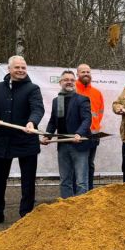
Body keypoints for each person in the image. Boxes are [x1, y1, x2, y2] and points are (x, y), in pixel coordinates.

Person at [0, 55, 45, 227]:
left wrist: (32, 122)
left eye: (23, 68)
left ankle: (26, 214)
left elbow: (38, 108)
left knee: (28, 180)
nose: (20, 70)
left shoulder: (33, 88)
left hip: (26, 140)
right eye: (17, 67)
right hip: (4, 140)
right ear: (9, 69)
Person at [41, 70, 92, 198]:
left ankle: (81, 208)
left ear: (74, 82)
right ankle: (66, 206)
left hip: (79, 145)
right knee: (65, 180)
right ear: (60, 82)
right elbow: (53, 121)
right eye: (66, 80)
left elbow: (87, 119)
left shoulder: (82, 99)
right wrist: (48, 135)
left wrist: (79, 133)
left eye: (71, 80)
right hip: (62, 145)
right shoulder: (57, 101)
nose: (69, 82)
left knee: (81, 181)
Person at [75, 63, 104, 190]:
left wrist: (94, 126)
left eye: (88, 72)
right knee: (76, 164)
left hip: (92, 135)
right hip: (76, 135)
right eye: (83, 72)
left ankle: (89, 190)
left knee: (89, 164)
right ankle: (76, 190)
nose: (86, 74)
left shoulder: (97, 93)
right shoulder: (72, 90)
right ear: (77, 74)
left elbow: (100, 112)